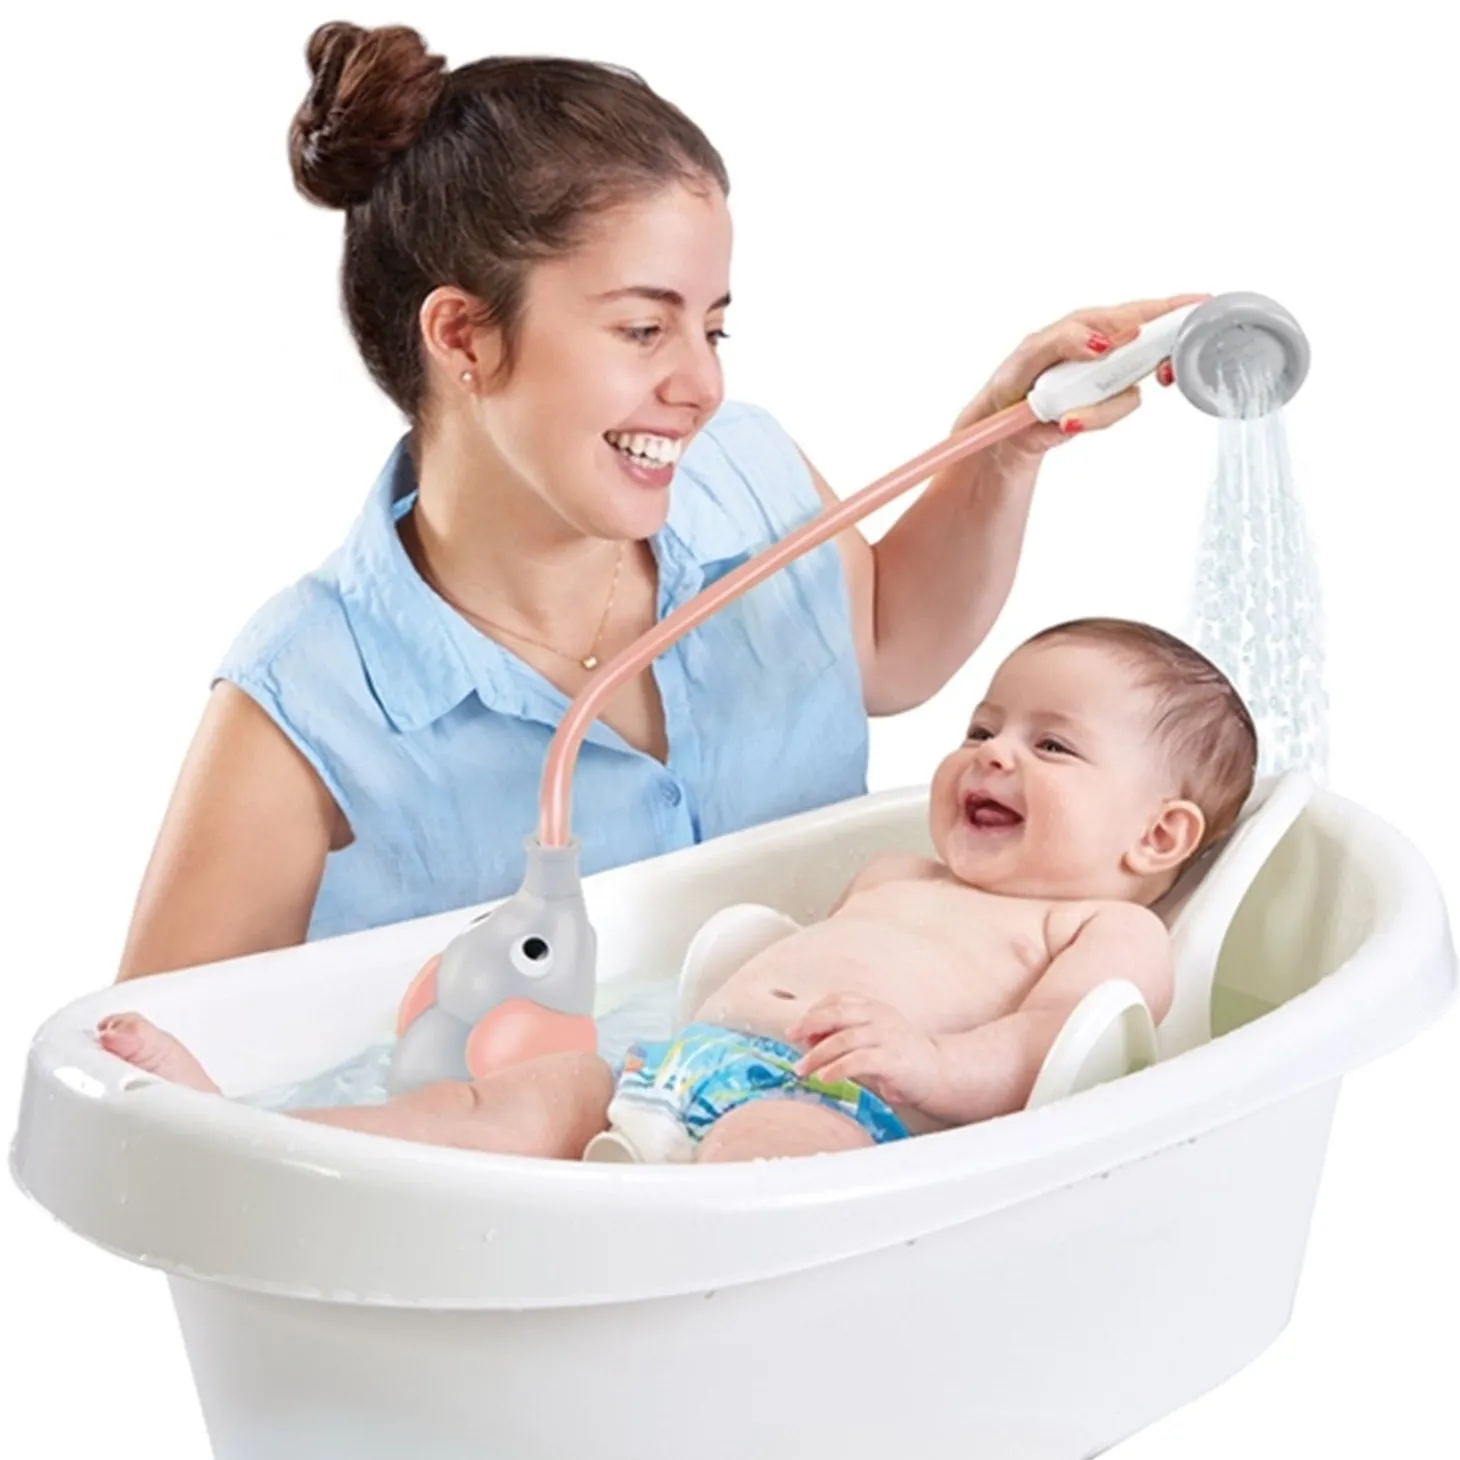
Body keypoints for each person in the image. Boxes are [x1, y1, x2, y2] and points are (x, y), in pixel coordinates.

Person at [115, 19, 1200, 983]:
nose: (701, 384)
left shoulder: (743, 470)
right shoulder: (305, 702)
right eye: (643, 328)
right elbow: (151, 1087)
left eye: (712, 327)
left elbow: (887, 649)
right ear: (462, 336)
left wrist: (999, 448)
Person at [99, 617, 1259, 1164]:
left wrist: (927, 1060)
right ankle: (258, 1141)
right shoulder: (897, 868)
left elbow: (1049, 1050)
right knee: (512, 1100)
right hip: (670, 1074)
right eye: (981, 726)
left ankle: (625, 1297)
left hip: (834, 1113)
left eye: (1050, 746)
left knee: (761, 1160)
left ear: (1156, 832)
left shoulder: (1102, 925)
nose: (992, 753)